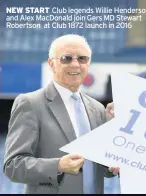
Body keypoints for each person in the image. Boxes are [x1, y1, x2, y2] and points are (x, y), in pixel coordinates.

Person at [3, 34, 120, 194]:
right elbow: (12, 166)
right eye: (66, 58)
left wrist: (114, 160)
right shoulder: (30, 103)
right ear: (52, 63)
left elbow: (103, 168)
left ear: (89, 63)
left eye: (82, 58)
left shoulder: (97, 108)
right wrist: (57, 166)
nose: (75, 64)